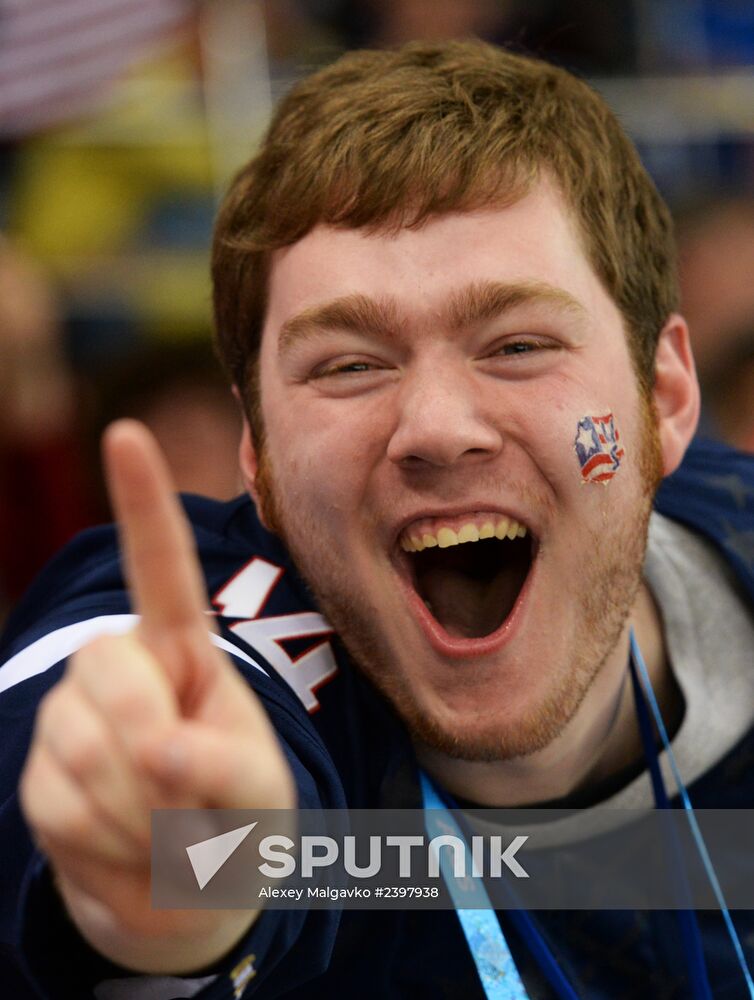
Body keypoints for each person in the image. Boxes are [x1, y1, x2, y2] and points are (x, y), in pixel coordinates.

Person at [1, 39, 753, 1000]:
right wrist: (166, 871)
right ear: (258, 457)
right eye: (349, 365)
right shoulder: (219, 638)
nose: (436, 428)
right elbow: (129, 786)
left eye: (517, 344)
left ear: (665, 397)